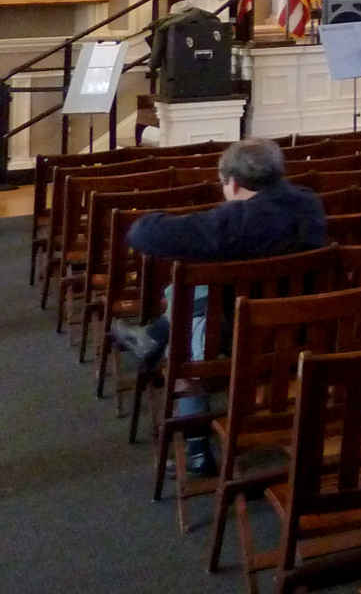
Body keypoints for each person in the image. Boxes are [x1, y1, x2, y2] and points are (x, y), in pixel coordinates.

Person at [108, 139, 327, 476]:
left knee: (193, 315)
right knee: (196, 293)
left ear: (233, 182)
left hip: (242, 335)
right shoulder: (310, 205)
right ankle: (154, 334)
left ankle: (196, 446)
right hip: (305, 328)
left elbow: (142, 232)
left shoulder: (233, 224)